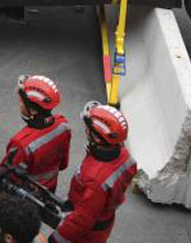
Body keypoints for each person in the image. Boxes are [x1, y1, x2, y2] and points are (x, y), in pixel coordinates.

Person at [47, 103, 136, 243]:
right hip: (103, 223)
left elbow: (81, 222)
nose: (86, 130)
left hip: (87, 234)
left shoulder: (95, 180)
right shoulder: (125, 157)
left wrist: (56, 239)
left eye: (89, 129)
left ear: (98, 138)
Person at [0, 75, 70, 193]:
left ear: (32, 111)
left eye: (21, 103)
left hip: (26, 196)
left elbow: (8, 177)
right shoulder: (63, 126)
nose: (20, 105)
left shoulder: (21, 143)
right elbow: (63, 164)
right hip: (50, 189)